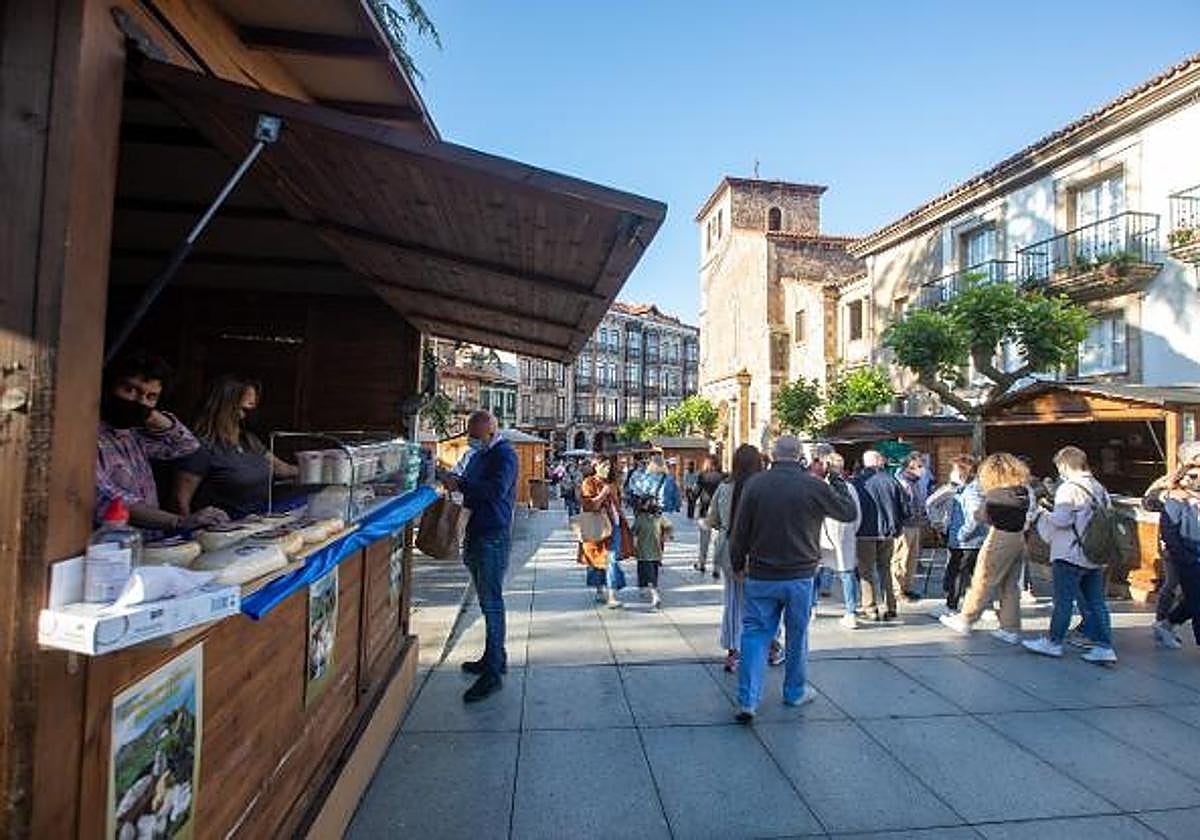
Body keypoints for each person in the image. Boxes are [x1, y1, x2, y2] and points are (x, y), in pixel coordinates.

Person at [729, 436, 857, 722]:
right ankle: (794, 691)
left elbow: (740, 530)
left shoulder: (755, 484)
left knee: (754, 634)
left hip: (761, 573)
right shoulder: (812, 485)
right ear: (800, 455)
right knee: (798, 634)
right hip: (800, 574)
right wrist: (835, 478)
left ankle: (748, 700)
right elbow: (848, 512)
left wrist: (737, 563)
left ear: (772, 455)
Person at [95, 350, 227, 535]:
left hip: (149, 543)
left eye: (151, 396)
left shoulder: (135, 436)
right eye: (130, 390)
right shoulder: (87, 438)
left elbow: (187, 447)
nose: (140, 401)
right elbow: (107, 499)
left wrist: (149, 414)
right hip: (113, 547)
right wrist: (178, 521)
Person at [436, 410, 518, 702]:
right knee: (486, 599)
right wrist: (453, 479)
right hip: (477, 529)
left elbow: (496, 491)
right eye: (469, 435)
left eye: (476, 435)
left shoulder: (504, 456)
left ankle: (492, 673)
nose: (471, 440)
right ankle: (494, 657)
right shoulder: (481, 455)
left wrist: (462, 485)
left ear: (491, 432)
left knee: (492, 602)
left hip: (492, 534)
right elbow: (469, 481)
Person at [1022, 447, 1118, 664]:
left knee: (1063, 601)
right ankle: (1104, 645)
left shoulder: (1069, 489)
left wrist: (1043, 513)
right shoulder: (1098, 487)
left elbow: (1062, 520)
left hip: (1070, 552)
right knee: (1096, 602)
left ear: (1064, 465)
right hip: (1094, 553)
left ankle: (1054, 642)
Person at [173, 376, 298, 519]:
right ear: (225, 407)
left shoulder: (249, 440)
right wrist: (187, 531)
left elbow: (281, 469)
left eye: (253, 407)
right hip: (223, 531)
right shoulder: (201, 447)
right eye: (244, 409)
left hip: (259, 524)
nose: (249, 415)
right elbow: (179, 501)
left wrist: (321, 467)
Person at [940, 453, 1033, 644]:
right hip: (1018, 538)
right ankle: (1010, 627)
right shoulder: (1023, 491)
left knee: (984, 578)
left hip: (999, 537)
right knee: (1010, 585)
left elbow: (981, 516)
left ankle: (966, 618)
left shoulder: (995, 495)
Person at [706, 444, 781, 672]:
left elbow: (713, 520)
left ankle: (733, 653)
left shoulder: (724, 487)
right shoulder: (767, 487)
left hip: (730, 549)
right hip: (760, 550)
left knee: (733, 601)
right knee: (765, 602)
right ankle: (772, 647)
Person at [1143, 441, 1200, 649]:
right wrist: (1167, 496)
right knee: (1175, 586)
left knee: (1192, 594)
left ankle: (1167, 623)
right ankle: (1162, 622)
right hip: (1179, 548)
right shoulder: (1172, 481)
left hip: (1192, 546)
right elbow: (1148, 501)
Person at [853, 450, 908, 622]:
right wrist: (898, 526)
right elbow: (905, 507)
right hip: (887, 532)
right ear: (879, 462)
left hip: (863, 532)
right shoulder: (892, 481)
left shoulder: (857, 482)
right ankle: (890, 607)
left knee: (866, 571)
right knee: (885, 569)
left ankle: (870, 608)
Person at [578, 454, 634, 608]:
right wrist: (603, 494)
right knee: (597, 560)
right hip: (598, 527)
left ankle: (612, 595)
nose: (607, 468)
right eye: (604, 466)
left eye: (609, 466)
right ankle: (599, 588)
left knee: (612, 559)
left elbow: (619, 505)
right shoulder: (588, 482)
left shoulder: (613, 483)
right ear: (596, 466)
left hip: (614, 526)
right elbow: (589, 506)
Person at [817, 451, 862, 630]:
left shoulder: (821, 486)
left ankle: (812, 607)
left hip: (824, 533)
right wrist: (853, 531)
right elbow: (857, 514)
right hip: (844, 534)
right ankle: (851, 611)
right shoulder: (849, 488)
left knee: (818, 570)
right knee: (846, 572)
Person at [937, 455, 987, 612]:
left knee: (960, 572)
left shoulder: (972, 491)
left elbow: (975, 517)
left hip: (967, 541)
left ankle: (952, 604)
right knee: (969, 573)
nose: (951, 472)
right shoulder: (962, 489)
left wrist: (962, 534)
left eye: (954, 469)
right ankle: (981, 605)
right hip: (962, 540)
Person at [1158, 461, 1200, 647]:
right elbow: (1169, 532)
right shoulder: (1174, 499)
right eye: (1192, 476)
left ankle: (1167, 623)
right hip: (1187, 554)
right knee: (1196, 598)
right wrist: (1184, 556)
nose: (1197, 480)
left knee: (1193, 598)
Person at [632, 457, 674, 608]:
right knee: (656, 540)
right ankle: (657, 557)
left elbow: (635, 490)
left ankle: (644, 584)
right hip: (658, 513)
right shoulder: (667, 478)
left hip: (645, 512)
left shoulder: (645, 477)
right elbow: (672, 497)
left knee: (644, 561)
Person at [894, 452, 929, 603]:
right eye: (919, 466)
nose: (923, 469)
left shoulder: (917, 482)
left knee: (912, 559)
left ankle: (907, 587)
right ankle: (897, 590)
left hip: (916, 524)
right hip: (904, 525)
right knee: (901, 558)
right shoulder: (901, 482)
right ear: (910, 467)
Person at [695, 456, 726, 575]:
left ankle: (702, 563)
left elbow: (696, 492)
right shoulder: (724, 476)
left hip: (705, 509)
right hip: (720, 510)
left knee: (704, 540)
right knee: (718, 541)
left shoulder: (702, 476)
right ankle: (716, 568)